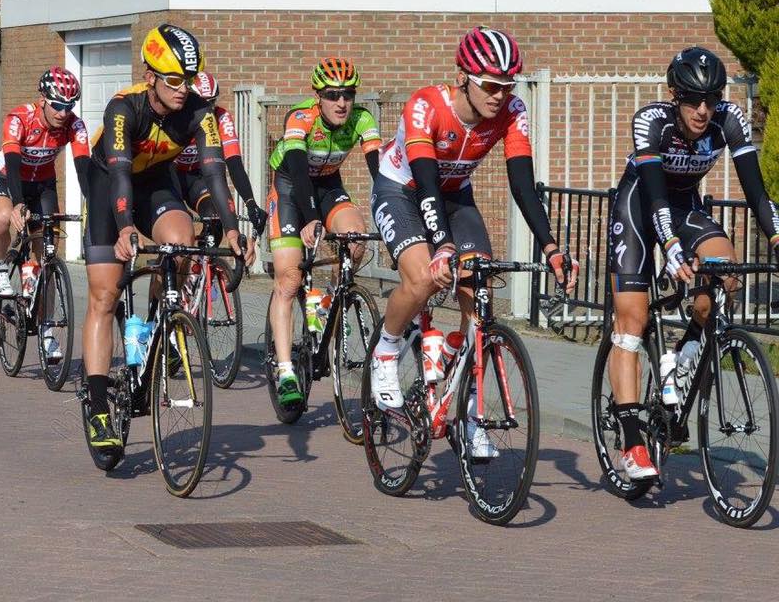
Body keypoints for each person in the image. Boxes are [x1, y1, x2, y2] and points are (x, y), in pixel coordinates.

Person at [369, 26, 576, 457]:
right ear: (463, 76)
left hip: (455, 196)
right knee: (424, 279)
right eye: (490, 85)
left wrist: (552, 247)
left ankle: (468, 413)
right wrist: (443, 246)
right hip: (404, 190)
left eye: (508, 85)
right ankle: (386, 350)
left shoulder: (512, 111)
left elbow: (523, 185)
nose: (500, 95)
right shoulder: (426, 105)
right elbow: (426, 182)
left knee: (479, 296)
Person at [607, 46, 779, 479]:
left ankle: (683, 356)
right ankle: (632, 443)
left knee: (725, 275)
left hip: (685, 207)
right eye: (692, 99)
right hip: (640, 206)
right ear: (674, 95)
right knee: (632, 320)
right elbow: (655, 196)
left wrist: (777, 237)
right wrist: (670, 247)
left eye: (712, 98)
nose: (703, 110)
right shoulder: (652, 122)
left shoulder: (729, 119)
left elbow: (757, 194)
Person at [81, 24, 243, 449]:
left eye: (189, 79)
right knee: (104, 295)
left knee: (181, 241)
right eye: (173, 80)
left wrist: (232, 228)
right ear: (150, 76)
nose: (182, 89)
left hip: (155, 182)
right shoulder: (124, 108)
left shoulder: (198, 113)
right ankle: (97, 406)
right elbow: (119, 172)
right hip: (109, 185)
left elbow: (214, 172)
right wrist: (125, 228)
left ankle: (157, 323)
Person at [266, 58, 382, 407]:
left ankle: (328, 301)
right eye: (332, 95)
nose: (341, 103)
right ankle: (286, 371)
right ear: (318, 96)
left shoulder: (363, 119)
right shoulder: (300, 118)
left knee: (356, 239)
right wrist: (311, 219)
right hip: (290, 188)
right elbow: (299, 173)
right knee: (289, 278)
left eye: (348, 94)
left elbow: (381, 174)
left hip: (329, 184)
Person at [0, 66, 90, 360]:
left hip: (43, 185)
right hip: (10, 179)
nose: (63, 112)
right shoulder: (19, 119)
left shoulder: (74, 125)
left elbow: (84, 169)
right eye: (57, 105)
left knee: (47, 256)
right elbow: (12, 163)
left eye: (70, 106)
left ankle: (46, 331)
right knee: (2, 218)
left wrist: (93, 204)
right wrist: (18, 203)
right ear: (42, 99)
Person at [174, 70, 267, 250]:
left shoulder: (221, 117)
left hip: (199, 178)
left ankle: (203, 264)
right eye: (201, 102)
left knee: (214, 216)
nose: (207, 109)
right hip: (172, 175)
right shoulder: (176, 116)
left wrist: (250, 203)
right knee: (178, 226)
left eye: (211, 102)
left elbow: (234, 163)